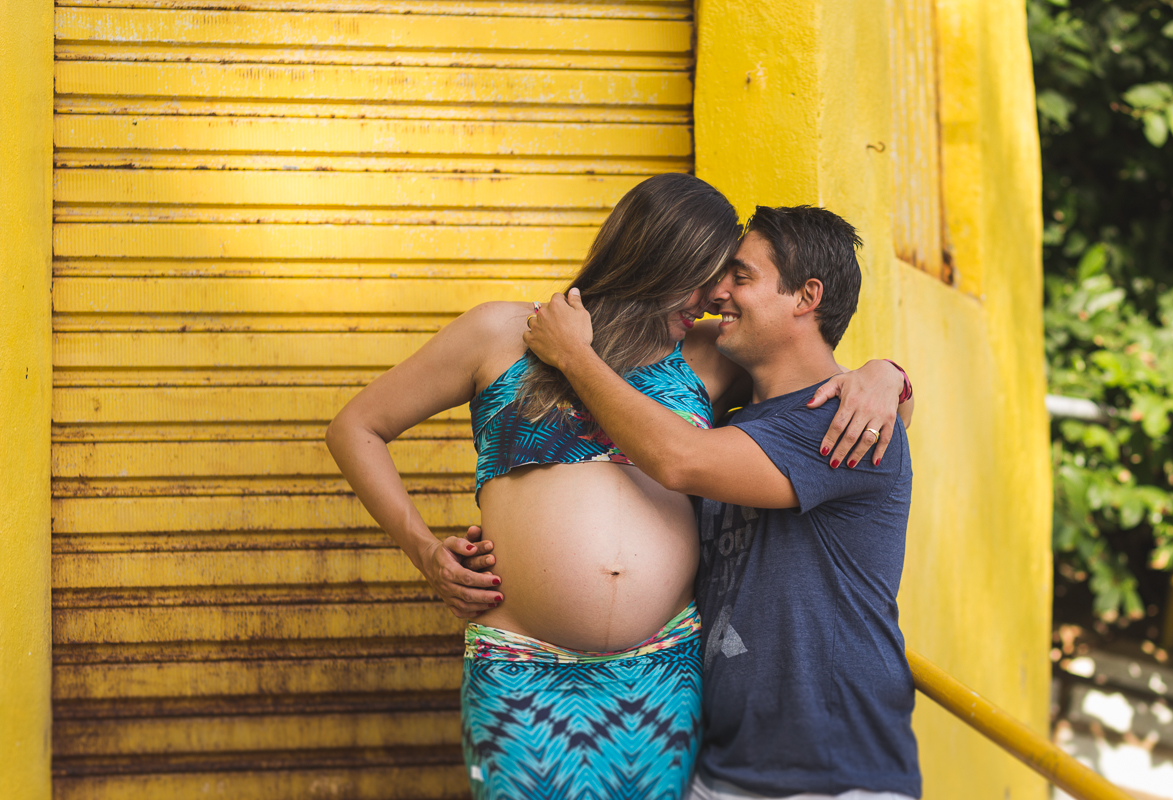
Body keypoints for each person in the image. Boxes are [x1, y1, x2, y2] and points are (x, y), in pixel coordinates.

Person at [325, 176, 911, 800]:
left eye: (729, 278)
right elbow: (356, 427)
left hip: (661, 673)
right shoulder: (501, 333)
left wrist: (887, 377)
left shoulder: (710, 354)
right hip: (522, 667)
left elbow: (823, 397)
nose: (714, 298)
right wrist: (424, 552)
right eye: (707, 275)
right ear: (657, 257)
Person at [522, 204, 921, 799]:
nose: (716, 293)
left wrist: (576, 356)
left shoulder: (841, 422)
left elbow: (677, 461)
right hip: (722, 769)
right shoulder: (740, 427)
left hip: (831, 776)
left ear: (806, 296)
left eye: (741, 276)